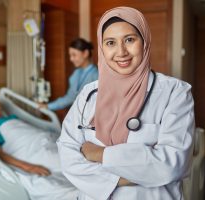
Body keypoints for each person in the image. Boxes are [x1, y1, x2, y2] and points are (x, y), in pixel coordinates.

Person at [57, 6, 195, 200]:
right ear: (102, 47)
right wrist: (135, 173)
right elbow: (67, 157)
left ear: (144, 42)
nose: (121, 52)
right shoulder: (88, 94)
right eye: (110, 42)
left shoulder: (174, 92)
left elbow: (173, 164)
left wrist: (99, 154)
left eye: (129, 40)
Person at [0, 93, 78, 200]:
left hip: (49, 141)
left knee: (78, 161)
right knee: (76, 163)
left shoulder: (12, 118)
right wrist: (28, 167)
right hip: (34, 151)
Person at [38, 38, 98, 111]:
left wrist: (48, 106)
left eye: (74, 55)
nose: (71, 59)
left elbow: (71, 98)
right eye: (70, 55)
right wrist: (48, 106)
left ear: (85, 53)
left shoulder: (97, 75)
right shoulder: (76, 73)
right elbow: (70, 97)